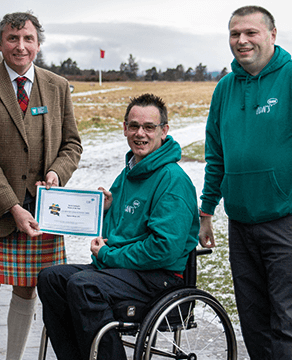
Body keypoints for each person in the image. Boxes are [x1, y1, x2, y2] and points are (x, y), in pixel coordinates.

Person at [199, 6, 292, 360]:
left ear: (272, 35)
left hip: (289, 220)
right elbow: (217, 155)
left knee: (289, 320)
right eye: (234, 34)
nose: (242, 41)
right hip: (242, 224)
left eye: (250, 33)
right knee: (254, 321)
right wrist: (207, 209)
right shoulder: (225, 89)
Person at [0, 11, 82, 360]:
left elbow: (72, 144)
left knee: (28, 289)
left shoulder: (57, 86)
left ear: (38, 44)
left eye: (28, 39)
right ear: (0, 44)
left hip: (41, 210)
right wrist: (12, 206)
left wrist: (57, 173)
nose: (21, 46)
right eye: (12, 39)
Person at [37, 94, 199, 360]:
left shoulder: (173, 181)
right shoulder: (128, 173)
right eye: (133, 126)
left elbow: (163, 249)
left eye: (149, 127)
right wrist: (108, 211)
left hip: (160, 276)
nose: (140, 134)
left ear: (164, 131)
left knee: (83, 286)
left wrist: (108, 256)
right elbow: (119, 232)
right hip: (125, 270)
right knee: (51, 278)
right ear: (124, 128)